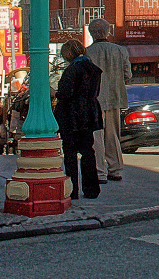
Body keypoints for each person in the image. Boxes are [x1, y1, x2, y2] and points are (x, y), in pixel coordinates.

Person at [52, 39, 101, 199]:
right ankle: (91, 189)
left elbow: (65, 94)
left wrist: (55, 93)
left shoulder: (72, 70)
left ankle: (72, 190)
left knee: (70, 153)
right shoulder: (93, 69)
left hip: (71, 115)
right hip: (88, 113)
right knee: (88, 152)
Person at [85, 17, 131, 184]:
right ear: (108, 32)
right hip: (114, 98)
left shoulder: (87, 53)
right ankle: (116, 169)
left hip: (94, 100)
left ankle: (99, 172)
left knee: (96, 138)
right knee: (113, 137)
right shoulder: (120, 51)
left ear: (91, 34)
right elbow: (128, 75)